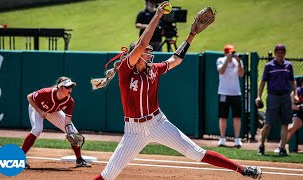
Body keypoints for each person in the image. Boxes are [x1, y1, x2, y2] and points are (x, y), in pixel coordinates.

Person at [91, 2, 261, 180]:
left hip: (158, 123)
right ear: (137, 54)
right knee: (109, 175)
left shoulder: (154, 69)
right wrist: (157, 16)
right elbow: (142, 44)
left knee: (196, 152)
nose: (150, 54)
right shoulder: (127, 70)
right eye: (147, 52)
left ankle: (243, 169)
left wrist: (191, 35)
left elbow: (176, 59)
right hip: (133, 131)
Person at [21, 76, 91, 168]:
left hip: (53, 111)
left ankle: (79, 160)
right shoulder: (46, 92)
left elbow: (68, 120)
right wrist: (40, 111)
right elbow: (29, 97)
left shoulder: (69, 101)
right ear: (60, 87)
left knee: (73, 132)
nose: (70, 89)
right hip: (37, 108)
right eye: (67, 87)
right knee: (37, 129)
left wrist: (70, 131)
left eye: (71, 87)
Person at [255, 43, 297, 156]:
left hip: (285, 96)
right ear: (275, 53)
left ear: (284, 53)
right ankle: (262, 145)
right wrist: (259, 96)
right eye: (278, 52)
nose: (280, 54)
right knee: (268, 123)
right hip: (273, 96)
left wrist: (296, 94)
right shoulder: (269, 66)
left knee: (285, 123)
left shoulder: (289, 66)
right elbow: (263, 82)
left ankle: (282, 148)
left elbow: (293, 81)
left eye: (282, 52)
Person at [216, 44, 244, 147]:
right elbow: (221, 71)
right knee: (223, 117)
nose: (231, 54)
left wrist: (239, 62)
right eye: (229, 53)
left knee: (237, 117)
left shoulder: (238, 61)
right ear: (225, 53)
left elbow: (241, 74)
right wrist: (227, 61)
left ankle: (237, 139)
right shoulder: (220, 60)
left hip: (236, 93)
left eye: (232, 52)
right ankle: (222, 138)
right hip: (223, 93)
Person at [275, 76, 303, 152]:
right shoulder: (296, 92)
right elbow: (290, 106)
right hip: (299, 115)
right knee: (291, 128)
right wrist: (299, 107)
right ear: (302, 83)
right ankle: (280, 147)